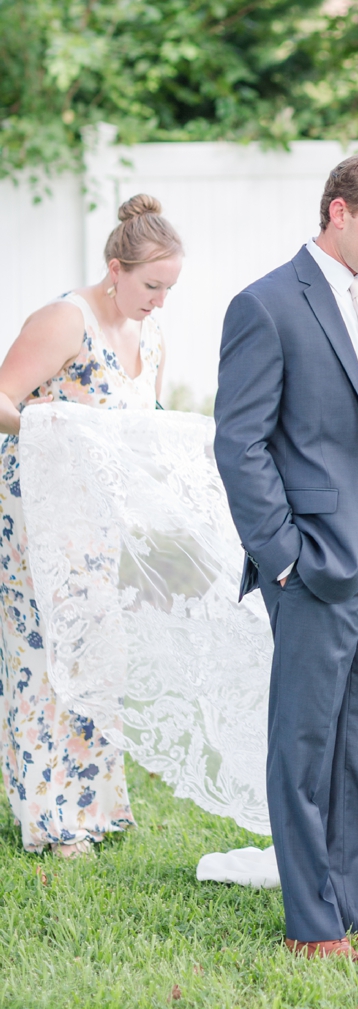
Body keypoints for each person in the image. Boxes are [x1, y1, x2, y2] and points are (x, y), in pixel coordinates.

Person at [214, 153, 358, 960]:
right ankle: (313, 923)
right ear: (338, 212)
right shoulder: (266, 304)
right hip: (312, 559)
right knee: (307, 743)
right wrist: (281, 555)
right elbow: (239, 443)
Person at [0, 194, 183, 857]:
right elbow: (2, 397)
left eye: (169, 288)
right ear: (115, 268)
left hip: (99, 519)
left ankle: (95, 804)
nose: (159, 300)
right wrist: (61, 433)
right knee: (44, 658)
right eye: (150, 285)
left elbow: (146, 423)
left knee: (95, 654)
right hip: (36, 510)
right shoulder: (64, 320)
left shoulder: (153, 333)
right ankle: (49, 816)